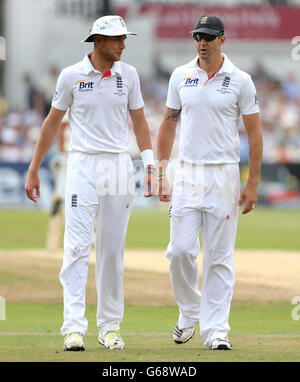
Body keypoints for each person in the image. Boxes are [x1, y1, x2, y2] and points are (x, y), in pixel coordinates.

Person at [25, 15, 156, 351]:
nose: (124, 46)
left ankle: (110, 327)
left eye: (124, 39)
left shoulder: (129, 75)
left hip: (118, 165)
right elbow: (52, 124)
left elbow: (139, 122)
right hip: (82, 165)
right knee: (76, 248)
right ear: (98, 41)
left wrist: (152, 163)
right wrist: (34, 168)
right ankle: (73, 328)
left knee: (112, 252)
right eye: (118, 40)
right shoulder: (71, 76)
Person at [156, 15, 263, 350]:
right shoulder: (181, 75)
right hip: (187, 173)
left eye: (208, 37)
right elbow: (168, 125)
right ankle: (190, 311)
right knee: (180, 251)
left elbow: (255, 134)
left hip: (224, 175)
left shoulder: (241, 80)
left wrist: (252, 183)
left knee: (219, 257)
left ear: (222, 40)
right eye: (197, 36)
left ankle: (216, 331)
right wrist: (160, 172)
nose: (202, 42)